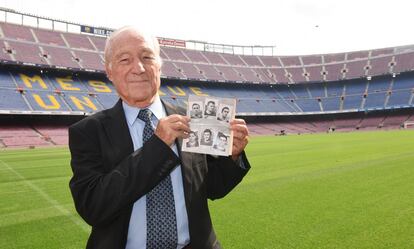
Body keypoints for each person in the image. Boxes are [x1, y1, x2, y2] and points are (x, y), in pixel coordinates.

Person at [68, 26, 250, 249]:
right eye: (125, 60)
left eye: (147, 57)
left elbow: (212, 187)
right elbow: (94, 207)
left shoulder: (193, 118)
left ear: (159, 66)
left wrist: (232, 157)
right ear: (109, 71)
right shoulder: (87, 131)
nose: (139, 68)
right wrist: (158, 146)